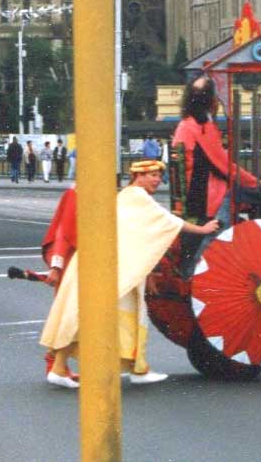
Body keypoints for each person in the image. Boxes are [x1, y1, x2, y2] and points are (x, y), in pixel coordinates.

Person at [39, 160, 219, 389]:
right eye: (152, 175)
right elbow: (167, 221)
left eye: (158, 176)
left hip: (106, 266)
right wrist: (202, 230)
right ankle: (132, 369)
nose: (157, 180)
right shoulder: (137, 198)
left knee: (90, 314)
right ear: (138, 176)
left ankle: (131, 368)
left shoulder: (124, 197)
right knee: (102, 316)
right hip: (111, 269)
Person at [171, 75, 259, 223]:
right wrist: (257, 183)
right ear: (211, 100)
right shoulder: (202, 127)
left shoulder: (185, 124)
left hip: (191, 193)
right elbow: (224, 166)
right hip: (207, 195)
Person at [40, 188, 78, 377]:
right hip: (69, 258)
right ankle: (55, 362)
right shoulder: (75, 193)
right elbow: (64, 232)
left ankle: (56, 363)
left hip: (77, 258)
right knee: (67, 313)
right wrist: (56, 266)